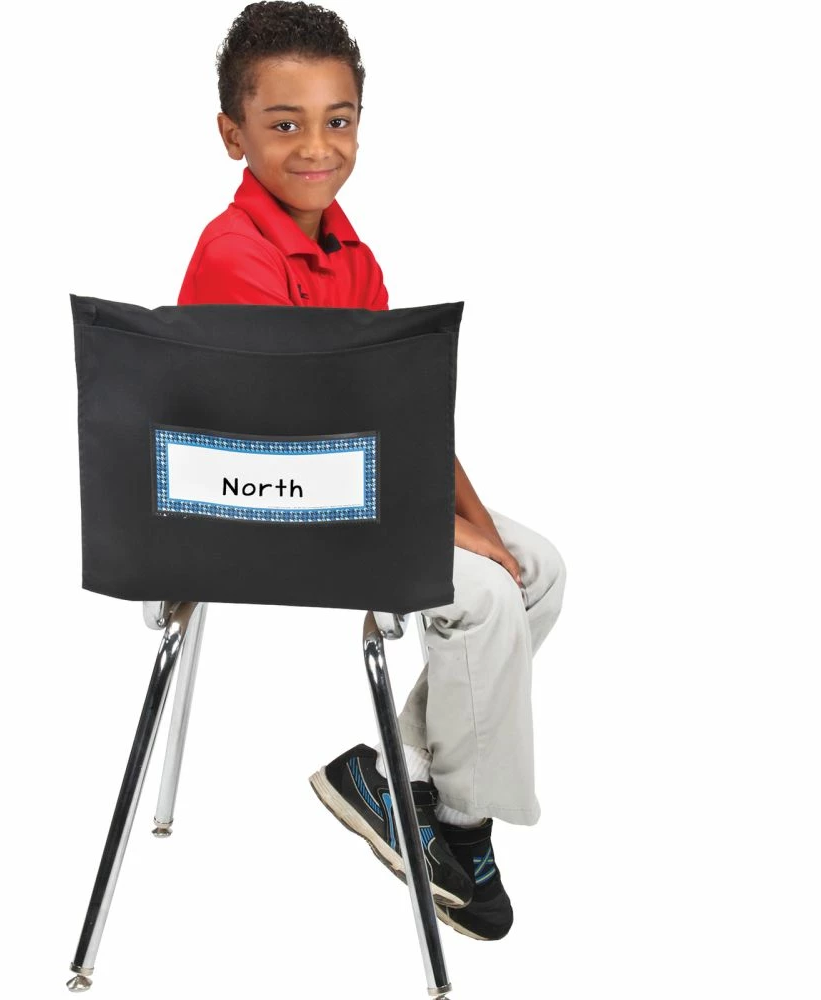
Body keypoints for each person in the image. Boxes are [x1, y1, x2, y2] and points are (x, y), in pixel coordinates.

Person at [177, 1, 566, 941]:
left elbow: (407, 414)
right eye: (284, 124)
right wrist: (442, 529)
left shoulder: (351, 253)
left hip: (344, 493)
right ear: (233, 134)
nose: (318, 146)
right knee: (480, 594)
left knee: (534, 570)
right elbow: (305, 441)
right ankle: (458, 830)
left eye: (338, 119)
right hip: (260, 510)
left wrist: (474, 522)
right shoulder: (234, 256)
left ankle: (395, 779)